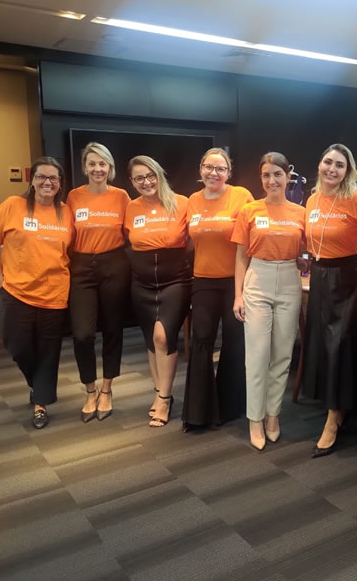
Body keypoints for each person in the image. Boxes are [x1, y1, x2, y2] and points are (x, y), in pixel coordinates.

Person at [0, 157, 73, 429]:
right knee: (18, 347)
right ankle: (38, 384)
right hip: (16, 293)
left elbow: (72, 252)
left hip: (54, 295)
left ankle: (40, 403)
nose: (47, 182)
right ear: (32, 181)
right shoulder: (13, 206)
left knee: (48, 351)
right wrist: (0, 281)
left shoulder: (66, 212)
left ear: (60, 183)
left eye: (53, 178)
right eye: (42, 177)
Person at [232, 152, 305, 451]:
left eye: (277, 174)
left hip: (290, 279)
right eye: (266, 175)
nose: (272, 180)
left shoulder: (300, 213)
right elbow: (240, 257)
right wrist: (238, 294)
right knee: (258, 355)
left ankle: (273, 414)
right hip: (258, 279)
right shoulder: (249, 210)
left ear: (288, 176)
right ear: (260, 179)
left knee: (283, 354)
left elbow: (308, 252)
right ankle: (255, 418)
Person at [303, 144, 357, 458]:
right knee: (321, 344)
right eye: (328, 162)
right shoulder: (313, 199)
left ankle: (333, 419)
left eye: (339, 165)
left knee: (339, 345)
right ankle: (337, 405)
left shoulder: (356, 198)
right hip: (319, 275)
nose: (332, 169)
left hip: (348, 278)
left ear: (348, 171)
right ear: (320, 164)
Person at [182, 148, 253, 430]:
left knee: (235, 341)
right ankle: (199, 412)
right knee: (201, 340)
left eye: (220, 168)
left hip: (235, 281)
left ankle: (229, 406)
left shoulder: (241, 196)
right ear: (200, 169)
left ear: (228, 172)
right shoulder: (192, 200)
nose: (214, 173)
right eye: (209, 167)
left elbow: (248, 242)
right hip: (203, 280)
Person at [124, 155, 191, 427]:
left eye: (150, 175)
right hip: (140, 283)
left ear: (159, 174)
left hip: (175, 280)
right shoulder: (130, 207)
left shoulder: (182, 203)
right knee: (151, 340)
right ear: (132, 181)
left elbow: (195, 240)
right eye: (139, 178)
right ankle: (158, 392)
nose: (146, 182)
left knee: (164, 337)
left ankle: (165, 398)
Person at [66, 142, 130, 422]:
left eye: (102, 163)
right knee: (82, 333)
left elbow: (131, 232)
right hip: (81, 266)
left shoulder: (122, 196)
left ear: (110, 168)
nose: (97, 169)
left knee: (113, 329)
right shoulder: (73, 197)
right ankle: (89, 389)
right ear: (85, 167)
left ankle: (107, 389)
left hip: (114, 263)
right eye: (92, 163)